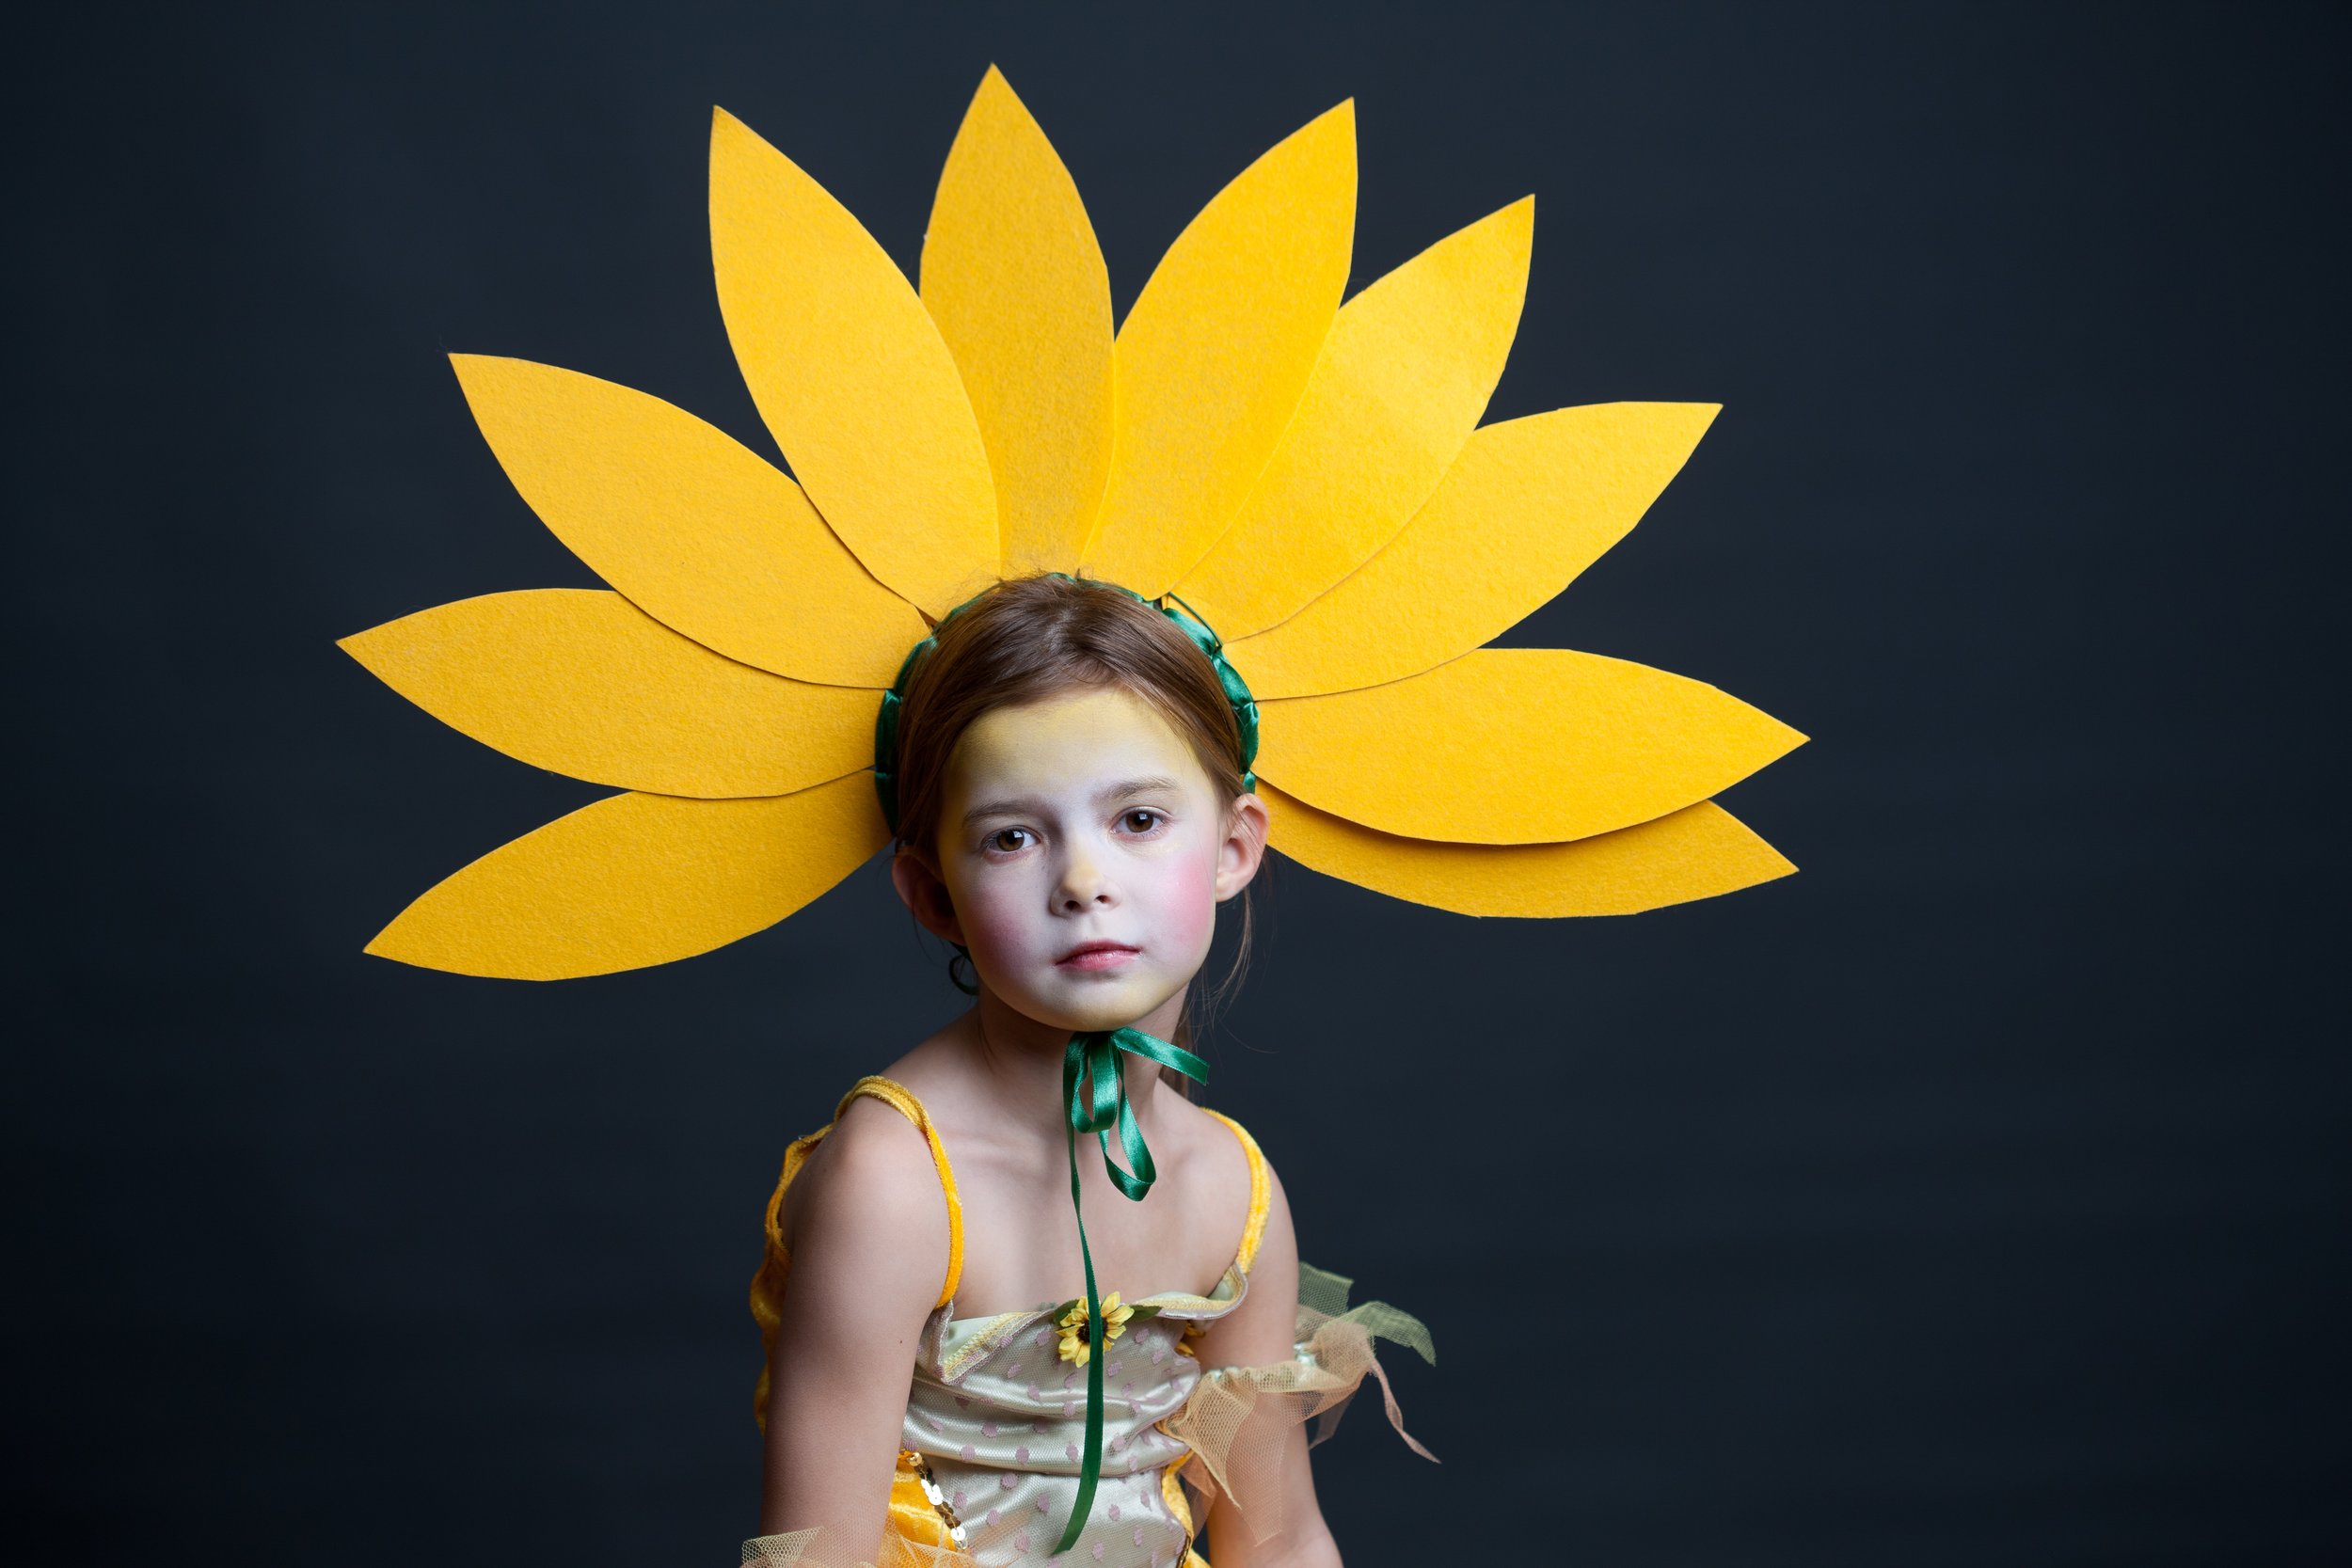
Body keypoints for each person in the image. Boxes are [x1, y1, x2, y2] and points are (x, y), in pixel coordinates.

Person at [336, 65, 1801, 1568]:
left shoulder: (1230, 1192)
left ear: (1237, 849)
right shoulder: (892, 1179)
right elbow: (817, 1548)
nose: (1084, 882)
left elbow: (1278, 1539)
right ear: (926, 888)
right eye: (1014, 836)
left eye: (1141, 822)